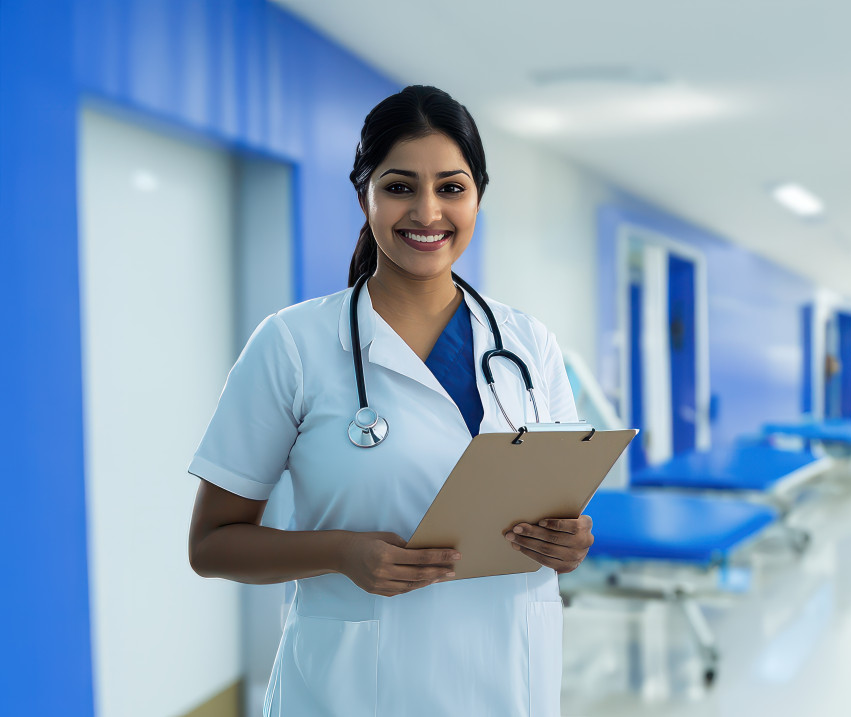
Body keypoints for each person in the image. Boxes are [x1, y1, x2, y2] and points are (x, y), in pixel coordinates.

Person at [186, 85, 590, 716]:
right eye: (400, 186)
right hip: (355, 692)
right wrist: (339, 552)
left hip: (510, 684)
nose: (428, 212)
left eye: (451, 187)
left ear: (477, 197)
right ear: (365, 195)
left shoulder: (529, 343)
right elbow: (212, 544)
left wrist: (569, 542)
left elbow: (562, 510)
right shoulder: (293, 344)